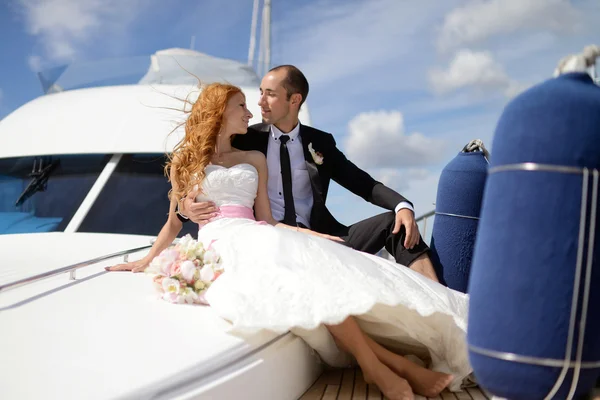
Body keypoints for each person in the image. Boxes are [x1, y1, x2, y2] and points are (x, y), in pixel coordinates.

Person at [108, 82, 471, 399]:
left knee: (315, 277)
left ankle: (383, 364)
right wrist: (145, 260)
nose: (251, 111)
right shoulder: (184, 163)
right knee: (306, 282)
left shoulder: (254, 157)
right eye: (241, 106)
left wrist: (311, 236)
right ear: (219, 111)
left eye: (259, 100)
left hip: (259, 235)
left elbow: (266, 219)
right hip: (221, 245)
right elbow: (173, 223)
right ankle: (384, 365)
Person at [177, 65, 439, 282]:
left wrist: (403, 206)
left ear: (294, 99)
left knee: (395, 224)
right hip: (270, 238)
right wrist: (185, 207)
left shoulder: (320, 143)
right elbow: (205, 168)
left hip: (322, 237)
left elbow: (363, 183)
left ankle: (442, 304)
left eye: (270, 94)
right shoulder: (246, 139)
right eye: (260, 93)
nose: (260, 102)